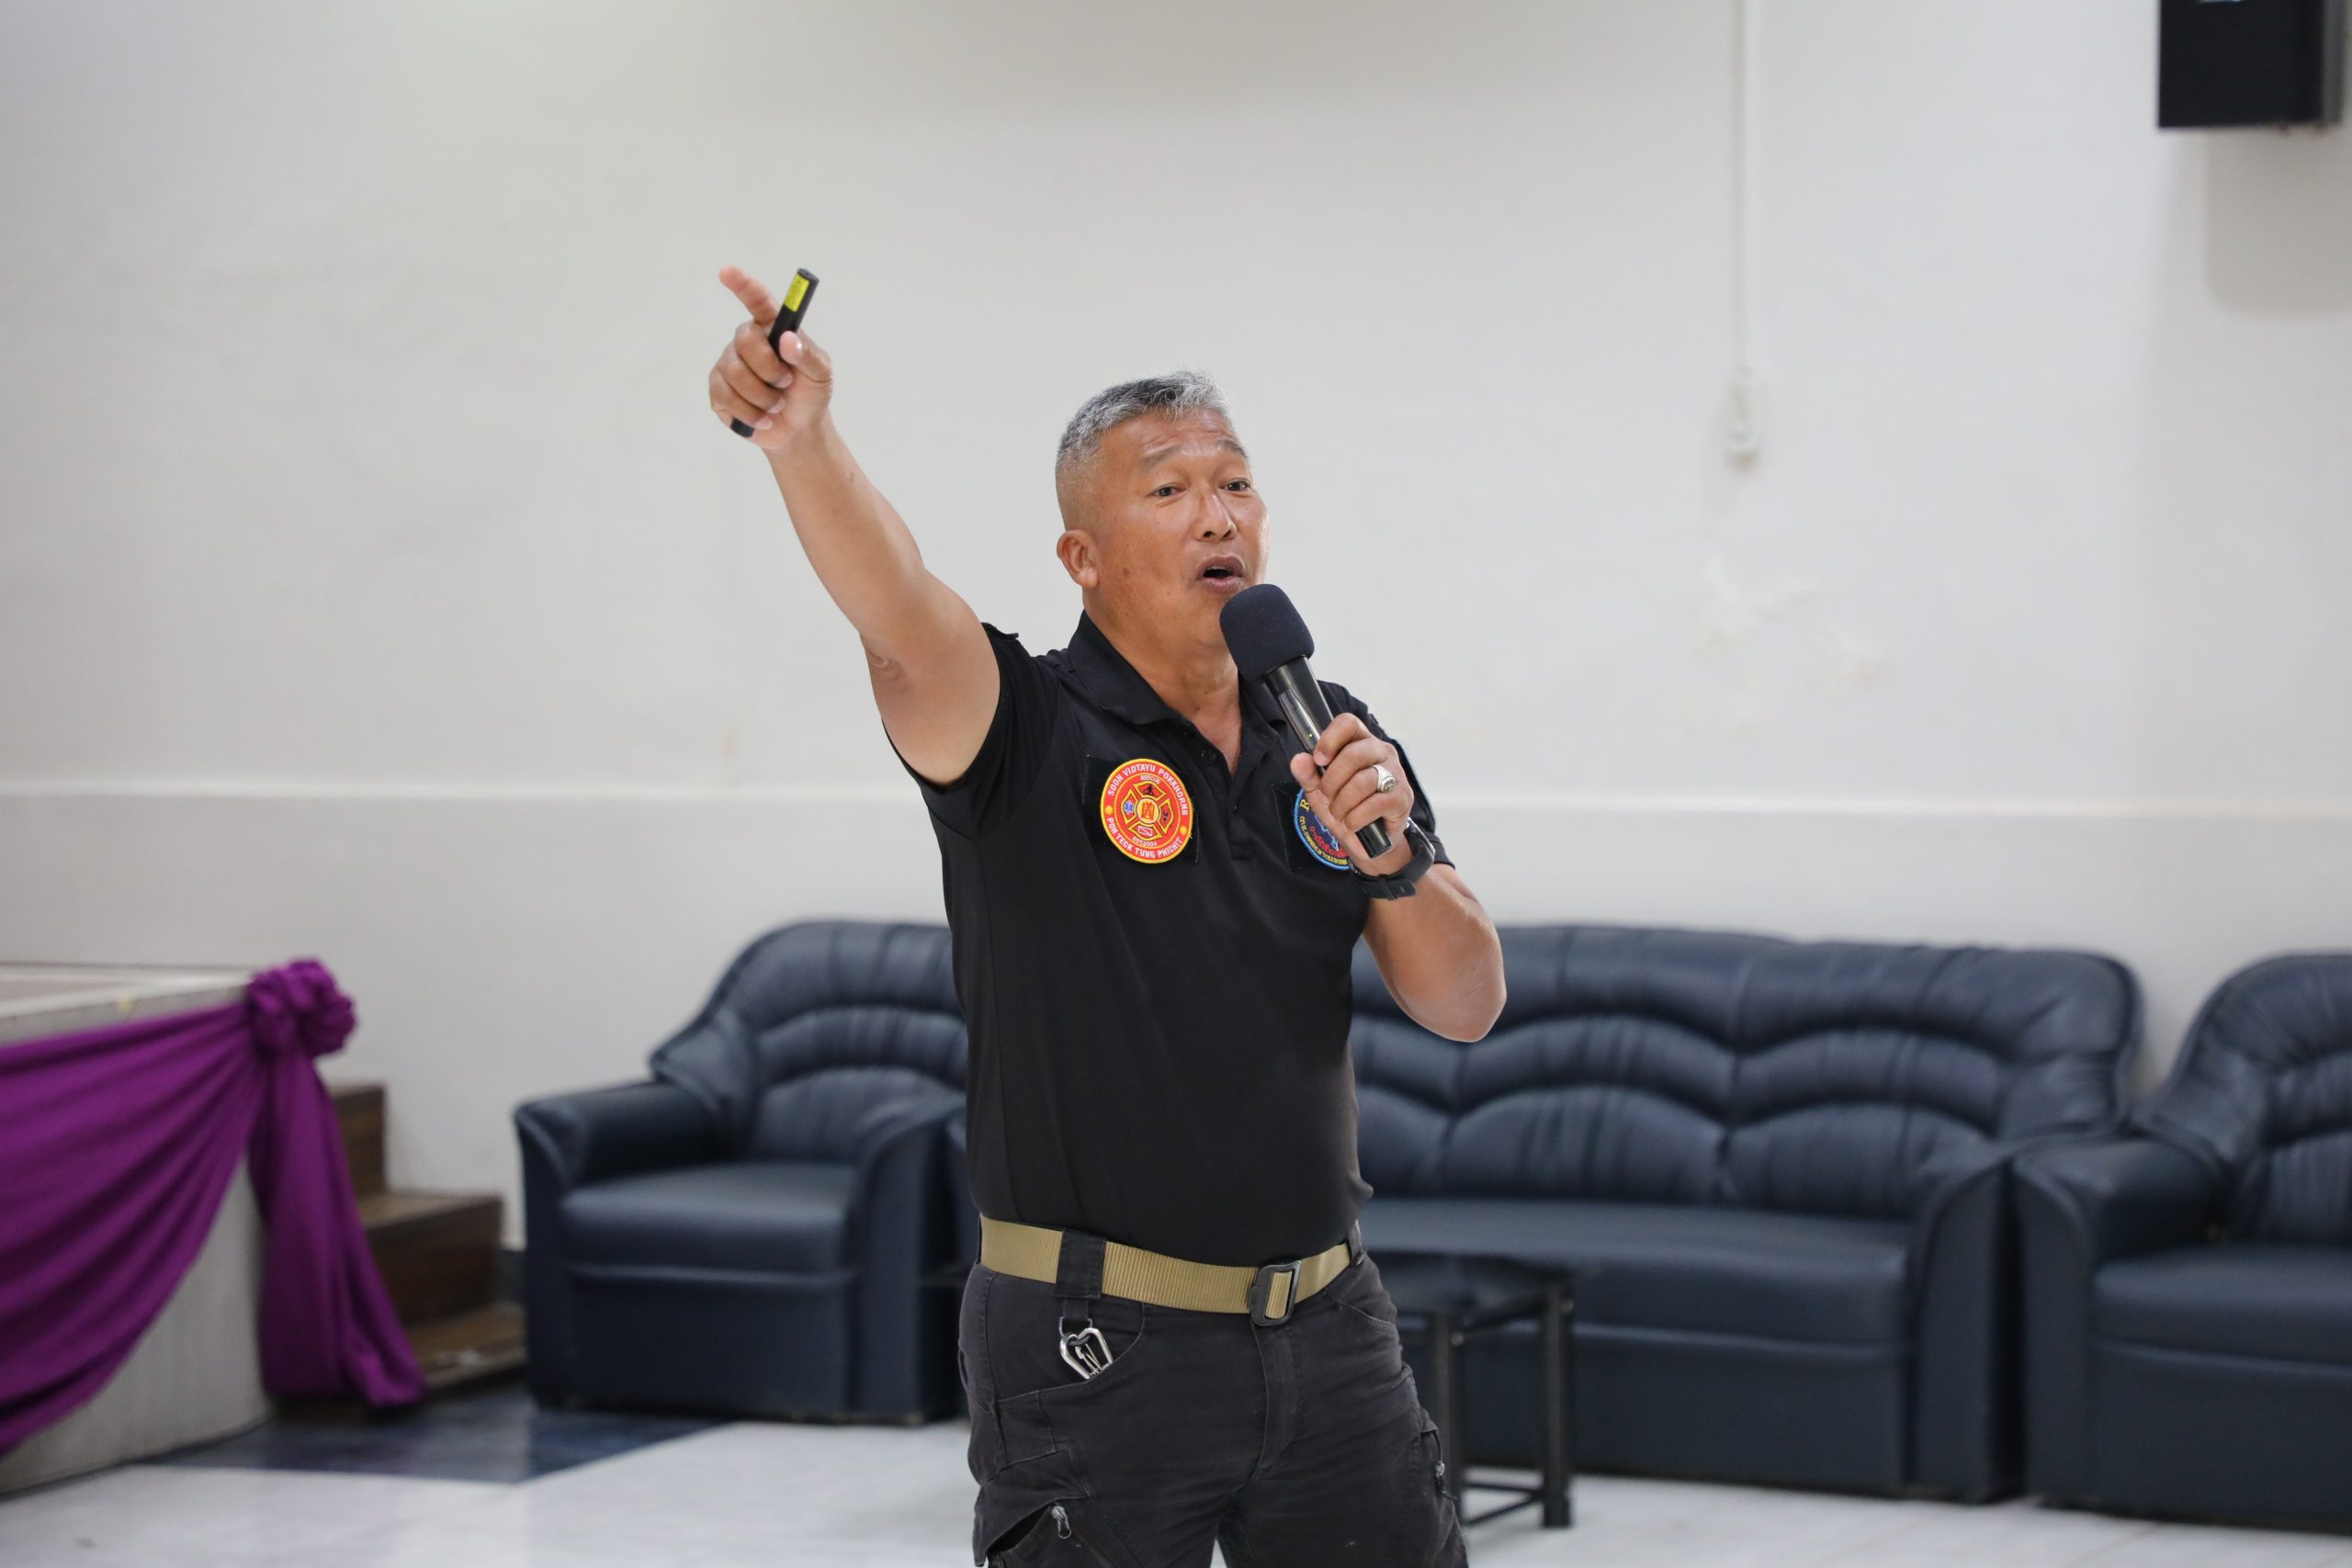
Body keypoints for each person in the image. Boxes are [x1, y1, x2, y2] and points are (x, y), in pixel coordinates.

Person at [706, 265, 1505, 1567]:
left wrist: (1392, 855)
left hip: (1329, 1326)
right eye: (1169, 489)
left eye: (1236, 483)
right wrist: (803, 440)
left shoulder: (1329, 735)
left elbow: (1466, 1004)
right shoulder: (1023, 728)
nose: (1218, 514)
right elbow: (899, 610)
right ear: (1081, 558)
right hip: (1096, 1345)